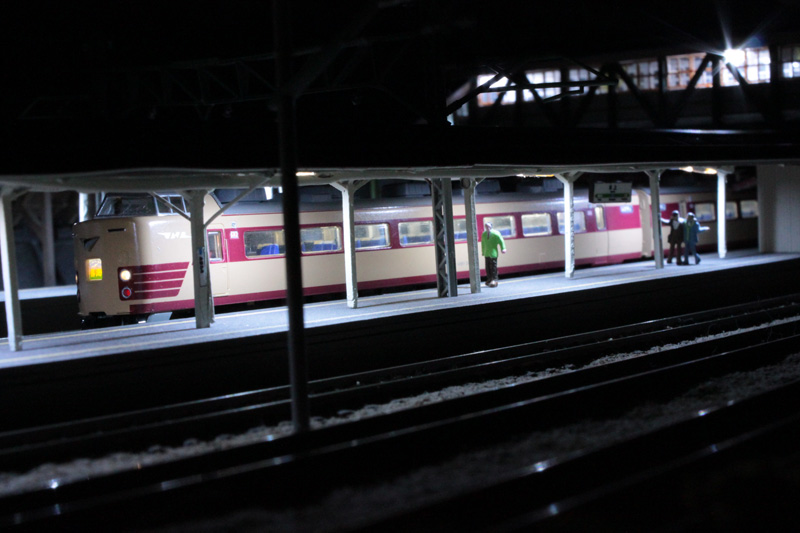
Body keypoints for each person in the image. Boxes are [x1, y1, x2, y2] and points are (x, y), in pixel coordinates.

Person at [481, 221, 506, 287]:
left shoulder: (496, 233)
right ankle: (489, 278)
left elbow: (501, 241)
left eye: (488, 226)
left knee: (493, 267)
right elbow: (483, 244)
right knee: (487, 267)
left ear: (491, 226)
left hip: (493, 253)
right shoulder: (484, 234)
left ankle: (494, 279)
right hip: (487, 253)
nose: (487, 227)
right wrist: (483, 251)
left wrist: (503, 248)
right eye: (486, 226)